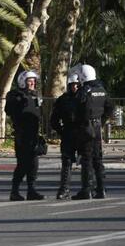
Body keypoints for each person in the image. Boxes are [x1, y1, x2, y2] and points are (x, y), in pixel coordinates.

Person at [72, 63, 115, 199]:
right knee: (97, 158)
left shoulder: (85, 91)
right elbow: (110, 107)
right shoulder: (101, 90)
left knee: (86, 159)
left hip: (86, 127)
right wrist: (101, 122)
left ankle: (86, 190)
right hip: (97, 128)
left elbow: (78, 110)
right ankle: (101, 189)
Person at [5, 69, 45, 201]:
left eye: (34, 80)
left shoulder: (35, 96)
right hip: (22, 135)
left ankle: (31, 190)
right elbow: (9, 109)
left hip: (34, 134)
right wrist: (19, 100)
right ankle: (14, 191)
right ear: (23, 81)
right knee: (22, 164)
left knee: (34, 164)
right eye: (29, 80)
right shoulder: (15, 95)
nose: (32, 83)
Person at [49, 70, 81, 200]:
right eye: (72, 84)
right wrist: (61, 131)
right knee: (66, 162)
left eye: (77, 84)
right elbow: (54, 119)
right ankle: (64, 189)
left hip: (82, 133)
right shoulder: (63, 99)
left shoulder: (85, 97)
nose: (75, 87)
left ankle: (89, 188)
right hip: (68, 133)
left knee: (88, 161)